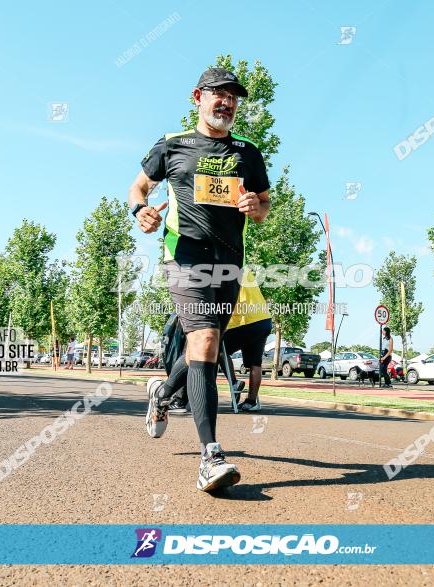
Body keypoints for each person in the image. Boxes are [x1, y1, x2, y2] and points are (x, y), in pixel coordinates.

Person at [129, 67, 271, 492]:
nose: (226, 102)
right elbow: (138, 189)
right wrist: (142, 213)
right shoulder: (172, 145)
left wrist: (254, 206)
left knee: (201, 348)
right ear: (198, 97)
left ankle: (162, 392)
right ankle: (211, 456)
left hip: (229, 264)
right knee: (206, 340)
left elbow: (264, 204)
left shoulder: (248, 152)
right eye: (218, 95)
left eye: (233, 97)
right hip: (185, 258)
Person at [162, 269, 273, 414]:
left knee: (213, 346)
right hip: (263, 320)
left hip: (246, 321)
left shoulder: (223, 273)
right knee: (255, 363)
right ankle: (251, 402)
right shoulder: (244, 270)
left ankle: (230, 384)